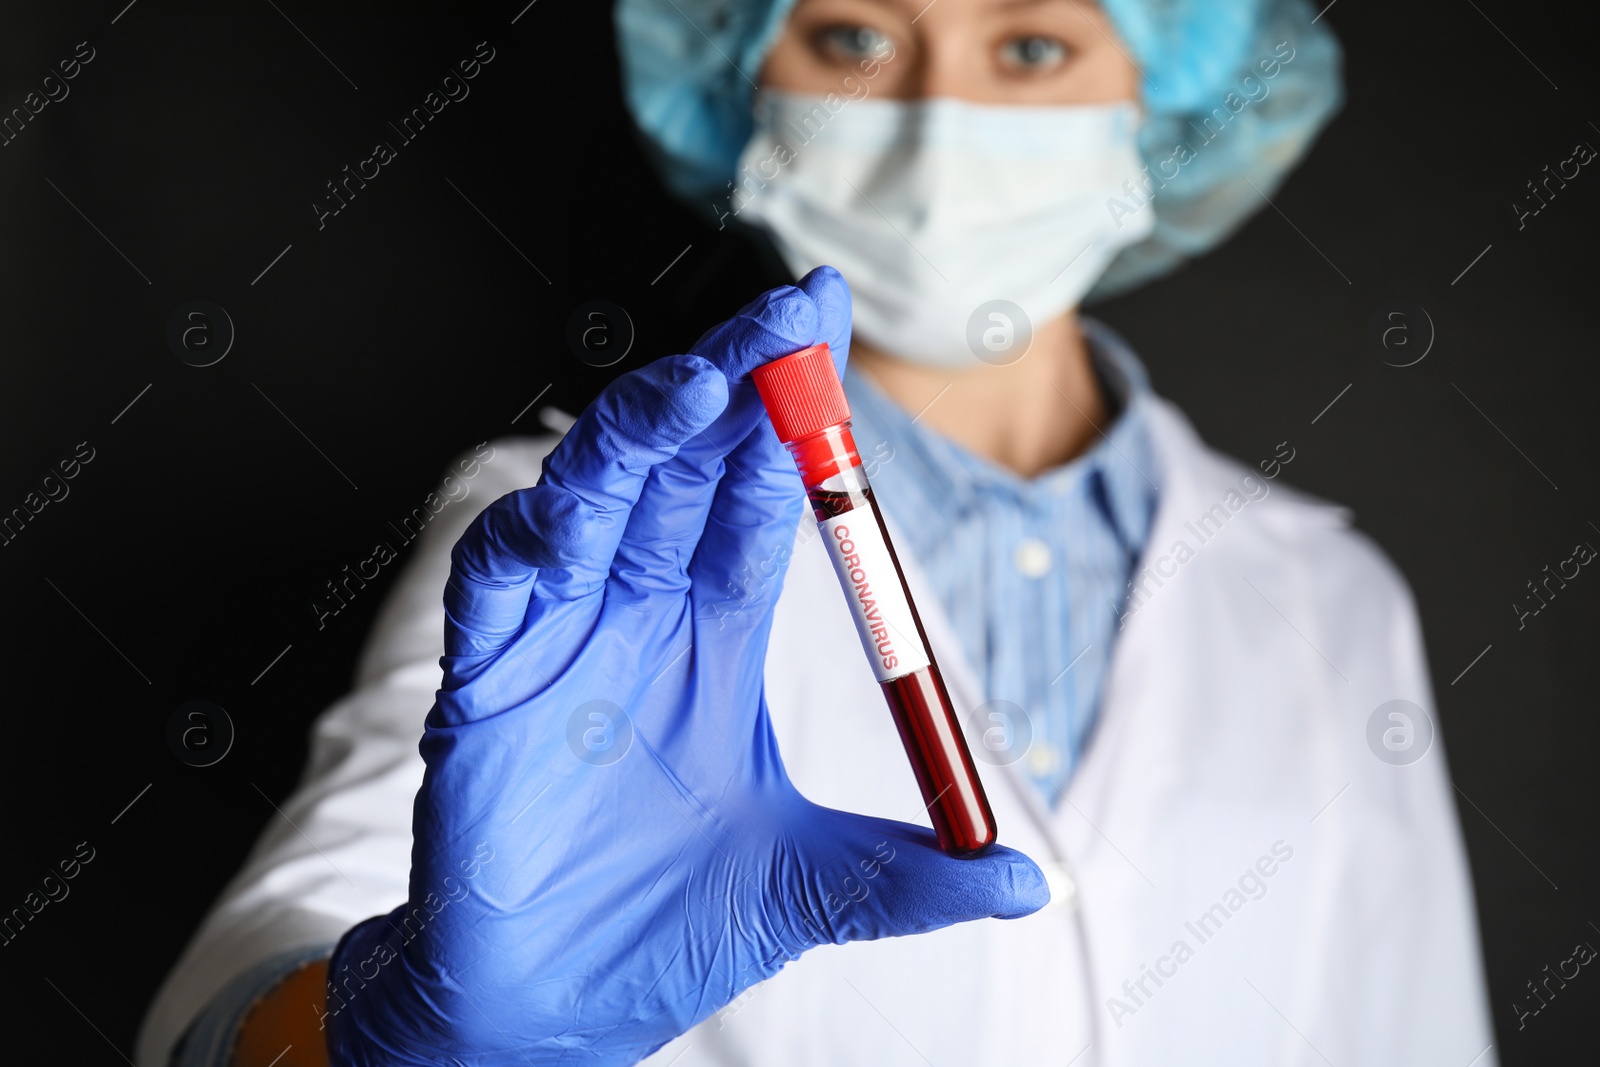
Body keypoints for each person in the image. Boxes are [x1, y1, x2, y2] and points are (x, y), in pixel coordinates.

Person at [139, 0, 1498, 1064]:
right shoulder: (579, 536)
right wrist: (387, 1041)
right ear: (743, 87)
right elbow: (278, 942)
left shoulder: (1331, 602)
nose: (938, 115)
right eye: (853, 37)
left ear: (1162, 101)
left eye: (1031, 44)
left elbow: (1416, 1024)